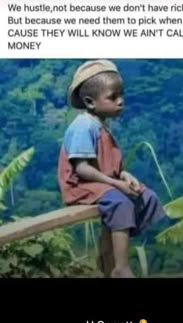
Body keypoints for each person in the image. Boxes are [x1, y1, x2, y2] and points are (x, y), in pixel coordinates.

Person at [57, 60, 165, 278]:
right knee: (121, 202)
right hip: (81, 185)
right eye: (113, 97)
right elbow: (83, 169)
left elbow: (111, 165)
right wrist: (116, 184)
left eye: (121, 95)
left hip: (102, 184)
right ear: (90, 102)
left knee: (147, 197)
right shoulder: (83, 126)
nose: (121, 102)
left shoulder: (101, 125)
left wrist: (125, 175)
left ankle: (114, 247)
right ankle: (120, 267)